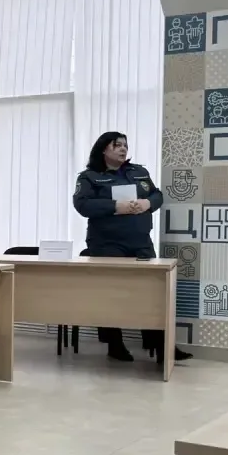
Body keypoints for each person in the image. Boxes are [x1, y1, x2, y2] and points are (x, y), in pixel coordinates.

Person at [73, 131, 192, 364]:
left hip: (140, 242)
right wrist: (115, 206)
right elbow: (82, 204)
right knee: (112, 295)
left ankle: (161, 346)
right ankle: (114, 345)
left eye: (125, 145)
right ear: (103, 149)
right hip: (107, 244)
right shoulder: (89, 177)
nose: (123, 149)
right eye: (117, 145)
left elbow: (156, 194)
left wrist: (148, 202)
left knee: (153, 294)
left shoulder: (139, 172)